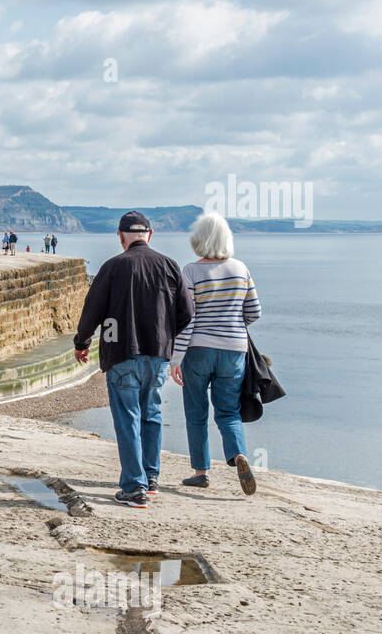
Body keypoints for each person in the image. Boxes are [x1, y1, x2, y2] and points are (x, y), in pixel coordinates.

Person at [73, 211, 194, 508]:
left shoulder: (113, 267)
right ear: (149, 235)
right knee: (151, 413)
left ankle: (134, 487)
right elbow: (188, 312)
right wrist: (166, 334)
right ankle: (151, 479)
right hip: (157, 355)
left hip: (121, 352)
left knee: (128, 419)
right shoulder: (169, 265)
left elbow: (92, 310)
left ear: (121, 236)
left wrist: (82, 342)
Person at [170, 213, 262, 495]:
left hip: (198, 350)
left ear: (198, 240)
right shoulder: (240, 269)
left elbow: (188, 320)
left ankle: (201, 472)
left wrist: (176, 358)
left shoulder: (191, 272)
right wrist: (232, 325)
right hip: (234, 350)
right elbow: (254, 312)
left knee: (196, 411)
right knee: (228, 410)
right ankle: (239, 455)